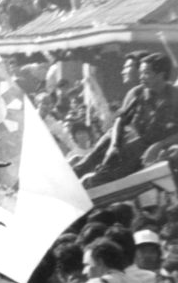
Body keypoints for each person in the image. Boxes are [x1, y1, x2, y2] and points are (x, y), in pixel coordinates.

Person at [74, 52, 178, 185]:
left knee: (99, 180)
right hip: (116, 138)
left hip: (139, 150)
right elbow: (120, 121)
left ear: (161, 75)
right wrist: (114, 145)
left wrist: (158, 145)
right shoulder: (137, 93)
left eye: (146, 73)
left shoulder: (175, 98)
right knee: (83, 166)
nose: (141, 77)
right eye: (140, 72)